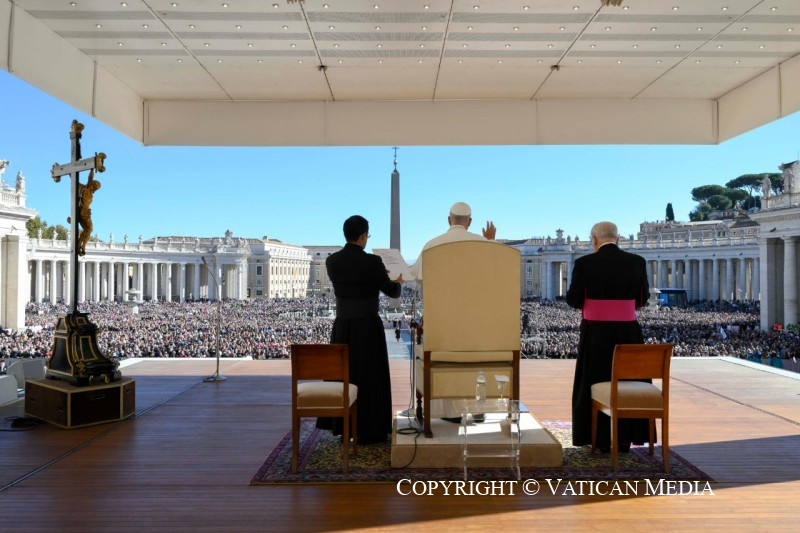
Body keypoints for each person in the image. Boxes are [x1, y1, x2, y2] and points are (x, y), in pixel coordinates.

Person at [316, 215, 403, 444]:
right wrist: (398, 282)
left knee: (344, 375)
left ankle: (343, 427)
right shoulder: (373, 262)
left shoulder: (332, 262)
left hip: (343, 326)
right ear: (363, 236)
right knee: (370, 377)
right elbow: (392, 291)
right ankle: (370, 428)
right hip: (368, 327)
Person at [566, 221, 651, 453]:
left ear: (594, 240)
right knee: (628, 381)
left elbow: (573, 300)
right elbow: (642, 299)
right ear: (618, 239)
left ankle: (598, 439)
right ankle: (625, 439)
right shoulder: (637, 262)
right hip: (628, 334)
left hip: (596, 333)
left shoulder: (584, 263)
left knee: (594, 381)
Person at [408, 201, 496, 280]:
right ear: (469, 222)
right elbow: (495, 269)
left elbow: (415, 275)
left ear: (449, 220)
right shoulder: (482, 244)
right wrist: (490, 241)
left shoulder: (430, 245)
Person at [77, 169, 101, 256]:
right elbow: (90, 177)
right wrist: (92, 168)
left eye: (98, 188)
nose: (97, 189)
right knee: (89, 229)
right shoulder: (87, 189)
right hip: (84, 212)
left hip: (84, 212)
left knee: (87, 230)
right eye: (96, 187)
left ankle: (79, 245)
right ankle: (82, 246)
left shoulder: (89, 192)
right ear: (92, 185)